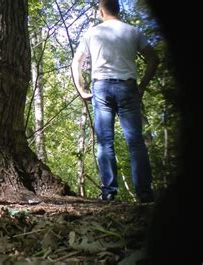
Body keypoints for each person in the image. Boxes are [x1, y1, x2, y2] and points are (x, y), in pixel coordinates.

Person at [71, 0, 159, 202]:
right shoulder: (133, 31)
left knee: (104, 142)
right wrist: (142, 86)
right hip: (128, 87)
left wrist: (82, 90)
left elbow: (76, 63)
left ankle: (109, 193)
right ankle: (145, 194)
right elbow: (154, 59)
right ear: (118, 10)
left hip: (101, 88)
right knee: (136, 141)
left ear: (101, 11)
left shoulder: (91, 33)